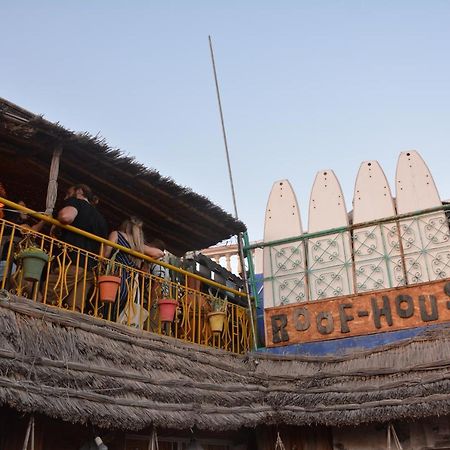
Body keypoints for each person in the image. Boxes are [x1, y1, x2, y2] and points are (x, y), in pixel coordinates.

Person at [46, 184, 108, 311]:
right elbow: (104, 250)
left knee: (48, 298)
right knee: (74, 308)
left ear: (79, 191)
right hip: (90, 269)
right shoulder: (101, 219)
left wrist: (55, 221)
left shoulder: (75, 202)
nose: (66, 197)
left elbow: (66, 217)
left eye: (68, 193)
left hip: (71, 262)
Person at [104, 217, 164, 317]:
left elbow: (105, 254)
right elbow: (159, 253)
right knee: (121, 313)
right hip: (131, 283)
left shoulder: (117, 235)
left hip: (115, 277)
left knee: (107, 309)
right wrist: (146, 261)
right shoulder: (138, 245)